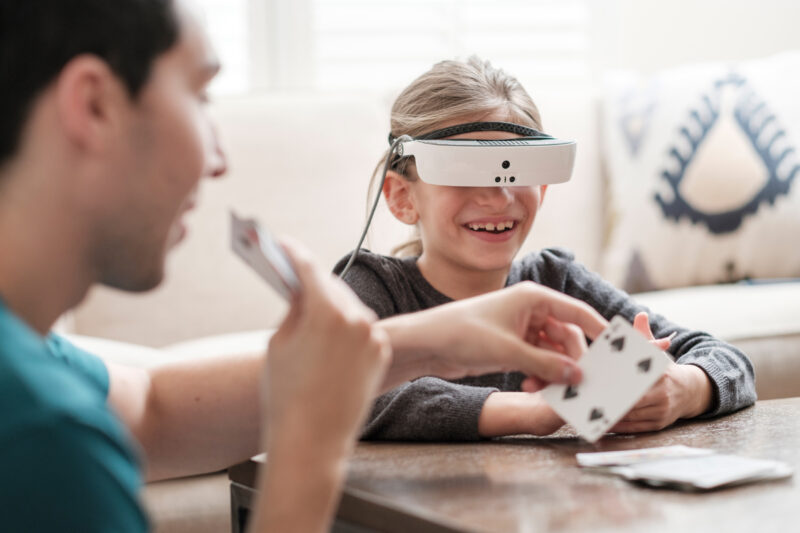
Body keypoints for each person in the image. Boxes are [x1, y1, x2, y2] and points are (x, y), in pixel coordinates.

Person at [0, 2, 611, 532]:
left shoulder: (32, 364)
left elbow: (152, 408)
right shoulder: (44, 437)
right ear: (95, 104)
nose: (217, 156)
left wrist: (419, 345)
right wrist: (310, 447)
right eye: (199, 96)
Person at [335, 56, 757, 441]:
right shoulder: (373, 287)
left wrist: (683, 388)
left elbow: (725, 359)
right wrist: (532, 411)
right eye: (465, 171)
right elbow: (343, 389)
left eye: (516, 170)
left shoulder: (558, 281)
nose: (499, 198)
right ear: (402, 197)